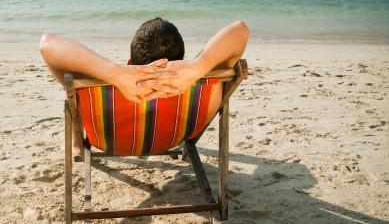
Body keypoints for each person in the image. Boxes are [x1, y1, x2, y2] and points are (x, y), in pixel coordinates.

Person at [39, 18, 249, 155]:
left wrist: (114, 72)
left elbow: (47, 43)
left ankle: (76, 136)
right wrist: (197, 66)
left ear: (130, 63)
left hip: (110, 142)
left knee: (73, 91)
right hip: (175, 138)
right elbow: (241, 29)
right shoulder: (202, 82)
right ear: (181, 60)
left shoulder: (99, 86)